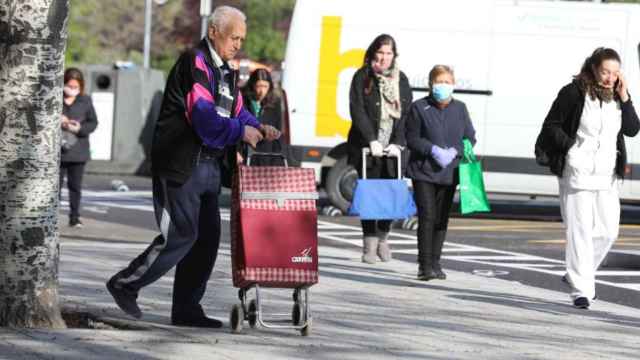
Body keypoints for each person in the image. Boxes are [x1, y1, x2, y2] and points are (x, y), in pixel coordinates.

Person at [106, 5, 281, 327]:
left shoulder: (226, 70)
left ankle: (186, 309)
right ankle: (125, 283)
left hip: (211, 168)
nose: (237, 45)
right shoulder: (195, 62)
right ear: (214, 32)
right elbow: (204, 119)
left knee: (207, 240)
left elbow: (237, 110)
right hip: (182, 163)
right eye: (233, 37)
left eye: (242, 39)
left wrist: (258, 126)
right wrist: (241, 132)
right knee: (180, 234)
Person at [536, 47, 639, 309]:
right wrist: (571, 149)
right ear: (593, 68)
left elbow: (632, 129)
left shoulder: (617, 96)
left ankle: (576, 272)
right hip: (577, 172)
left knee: (608, 231)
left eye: (615, 73)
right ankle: (581, 290)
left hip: (606, 176)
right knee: (579, 232)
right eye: (606, 71)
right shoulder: (573, 93)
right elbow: (551, 127)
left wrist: (626, 97)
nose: (610, 78)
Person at [405, 65, 476, 281]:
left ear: (453, 85)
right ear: (430, 84)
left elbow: (470, 137)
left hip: (449, 171)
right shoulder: (419, 108)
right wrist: (432, 150)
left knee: (441, 218)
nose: (443, 86)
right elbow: (412, 138)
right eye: (439, 82)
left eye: (447, 82)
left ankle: (436, 262)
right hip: (424, 171)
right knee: (427, 216)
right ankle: (424, 265)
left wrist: (456, 151)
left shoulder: (460, 108)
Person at [347, 34, 413, 264]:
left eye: (389, 53)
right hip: (368, 146)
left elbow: (406, 115)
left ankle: (384, 237)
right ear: (373, 53)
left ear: (394, 55)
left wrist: (398, 142)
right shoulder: (362, 76)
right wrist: (371, 139)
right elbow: (357, 110)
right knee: (370, 194)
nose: (384, 58)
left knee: (392, 195)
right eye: (381, 53)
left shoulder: (401, 79)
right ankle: (369, 244)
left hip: (393, 148)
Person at [60, 68, 98, 228]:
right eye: (69, 86)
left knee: (75, 187)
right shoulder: (55, 98)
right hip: (58, 151)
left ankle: (74, 217)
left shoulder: (85, 100)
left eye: (76, 87)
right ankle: (50, 217)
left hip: (78, 150)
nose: (72, 89)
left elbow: (93, 122)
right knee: (54, 187)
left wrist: (79, 128)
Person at [241, 68, 286, 166]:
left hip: (266, 154)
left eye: (265, 86)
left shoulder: (275, 102)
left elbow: (278, 131)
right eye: (259, 86)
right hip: (245, 152)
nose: (262, 91)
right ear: (252, 85)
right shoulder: (242, 99)